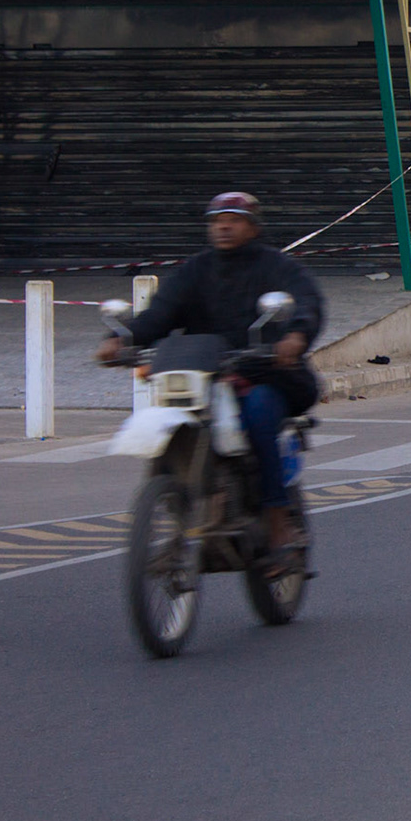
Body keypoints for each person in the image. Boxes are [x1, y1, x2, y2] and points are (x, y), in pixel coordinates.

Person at [97, 192, 324, 569]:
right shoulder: (195, 271)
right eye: (217, 219)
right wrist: (125, 339)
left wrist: (295, 336)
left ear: (252, 226)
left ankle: (277, 522)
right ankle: (178, 512)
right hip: (204, 375)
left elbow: (306, 302)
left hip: (264, 374)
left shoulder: (277, 267)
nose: (224, 225)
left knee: (257, 416)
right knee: (177, 423)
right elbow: (160, 314)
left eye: (233, 219)